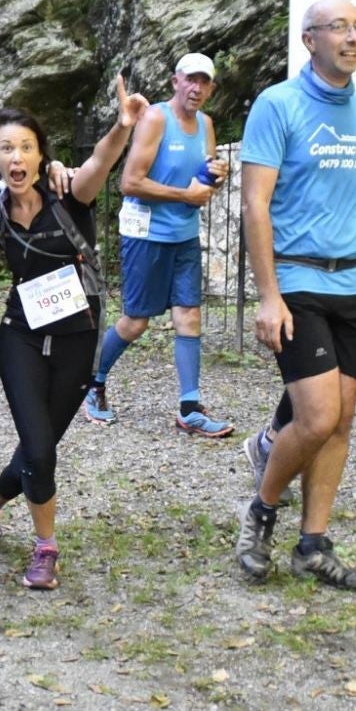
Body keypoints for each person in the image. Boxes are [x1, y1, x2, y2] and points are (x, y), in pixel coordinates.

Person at [233, 0, 356, 591]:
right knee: (317, 415)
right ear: (309, 39)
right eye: (338, 29)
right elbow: (255, 203)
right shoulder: (278, 105)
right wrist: (268, 295)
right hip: (299, 280)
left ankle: (313, 544)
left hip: (353, 280)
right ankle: (261, 512)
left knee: (341, 421)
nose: (351, 39)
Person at [0, 84, 137, 589]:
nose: (17, 157)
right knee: (39, 448)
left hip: (77, 340)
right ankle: (46, 547)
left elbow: (101, 162)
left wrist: (122, 125)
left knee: (40, 448)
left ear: (41, 153)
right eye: (6, 149)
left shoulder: (68, 193)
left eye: (26, 147)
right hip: (20, 338)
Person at [83, 53, 233, 437]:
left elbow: (205, 177)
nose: (197, 88)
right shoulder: (156, 119)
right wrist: (185, 196)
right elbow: (130, 182)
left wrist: (216, 177)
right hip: (146, 234)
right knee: (135, 322)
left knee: (189, 317)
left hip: (183, 236)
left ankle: (189, 408)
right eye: (190, 80)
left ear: (211, 88)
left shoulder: (207, 125)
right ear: (175, 82)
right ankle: (92, 383)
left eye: (204, 82)